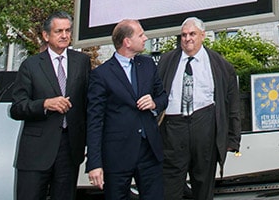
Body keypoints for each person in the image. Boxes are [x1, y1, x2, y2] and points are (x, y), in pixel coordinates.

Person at [10, 11, 91, 200]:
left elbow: (88, 103)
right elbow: (17, 107)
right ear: (46, 36)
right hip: (36, 150)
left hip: (70, 148)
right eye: (59, 31)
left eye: (68, 31)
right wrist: (45, 104)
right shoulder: (30, 65)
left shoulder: (82, 62)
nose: (64, 35)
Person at [158, 17, 241, 200]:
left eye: (192, 34)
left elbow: (232, 105)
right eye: (184, 35)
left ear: (202, 36)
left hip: (204, 128)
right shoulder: (166, 61)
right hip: (173, 130)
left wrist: (233, 138)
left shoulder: (220, 65)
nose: (187, 38)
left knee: (203, 186)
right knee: (169, 188)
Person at [86, 19, 168, 200]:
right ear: (127, 42)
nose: (145, 38)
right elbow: (94, 121)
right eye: (140, 35)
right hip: (117, 156)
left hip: (149, 152)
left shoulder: (147, 65)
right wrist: (94, 163)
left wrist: (154, 103)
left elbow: (163, 97)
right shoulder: (102, 75)